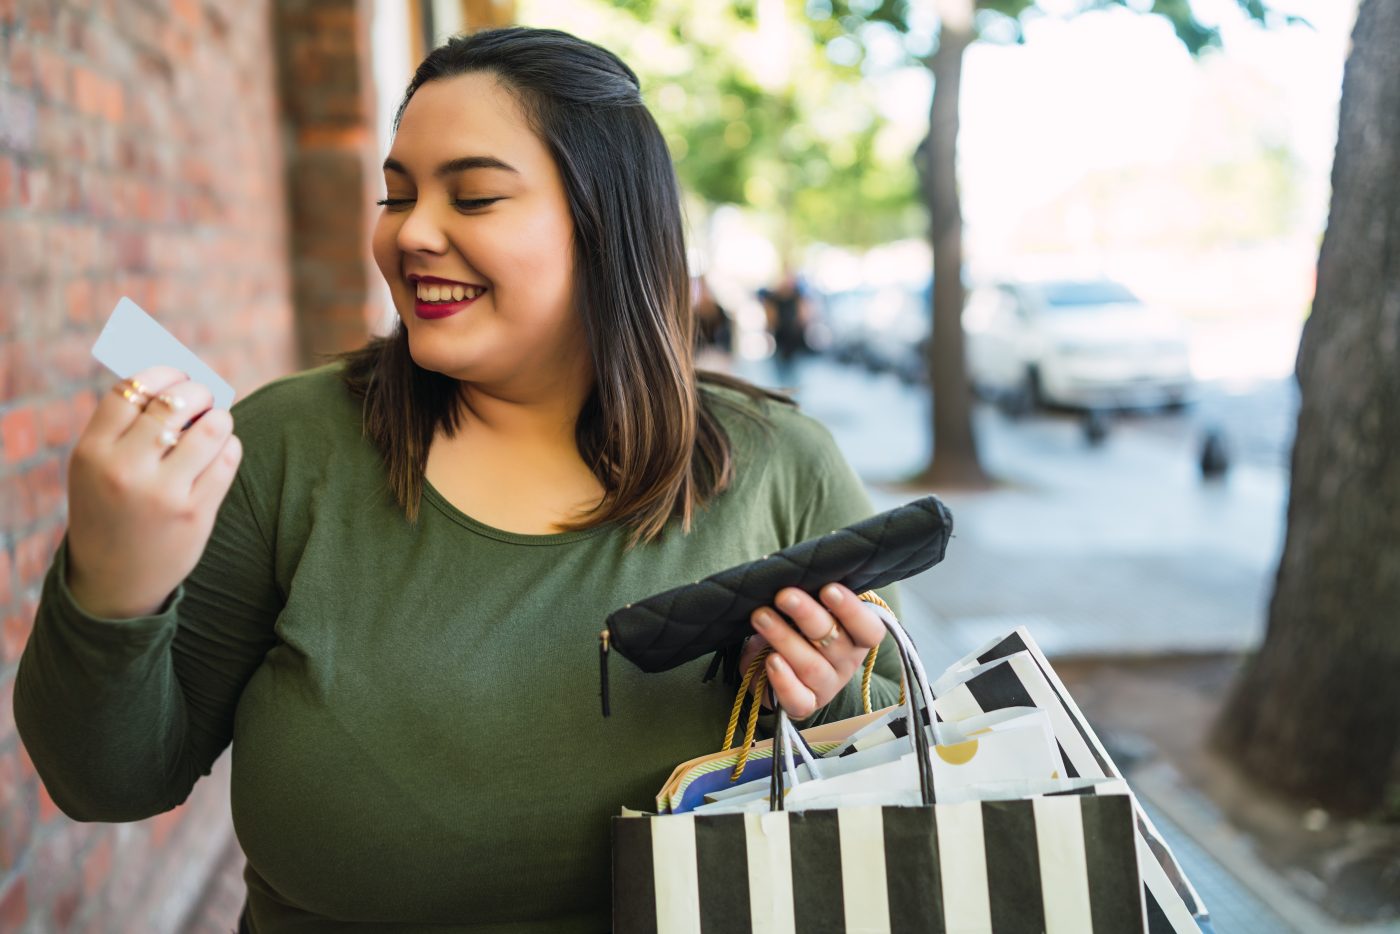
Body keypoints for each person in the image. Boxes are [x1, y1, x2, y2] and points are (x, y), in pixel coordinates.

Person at [15, 28, 903, 933]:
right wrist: (114, 582)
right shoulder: (285, 448)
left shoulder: (783, 468)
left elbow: (903, 786)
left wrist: (829, 701)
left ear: (608, 222)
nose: (411, 233)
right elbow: (108, 781)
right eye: (396, 194)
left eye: (473, 196)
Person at [758, 263, 812, 387]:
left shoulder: (797, 295)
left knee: (793, 376)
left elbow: (804, 316)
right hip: (781, 340)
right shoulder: (773, 297)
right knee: (781, 376)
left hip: (794, 341)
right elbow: (770, 320)